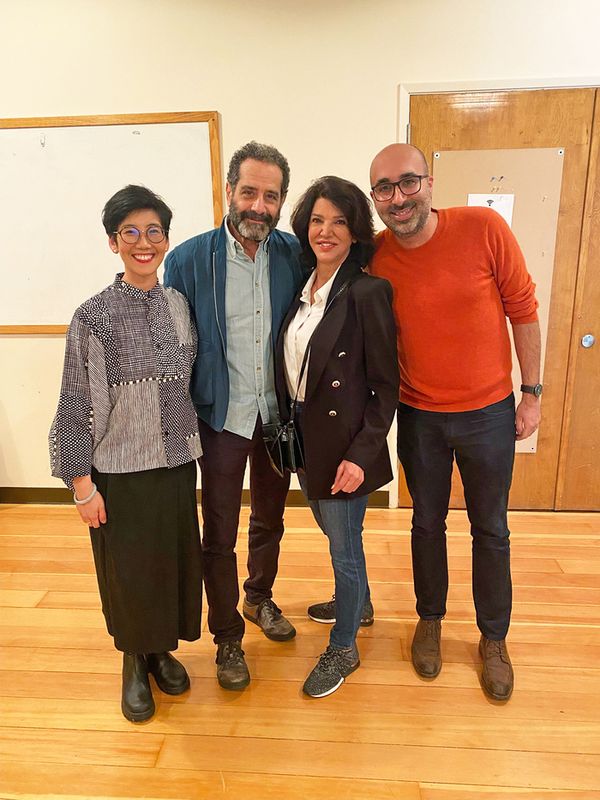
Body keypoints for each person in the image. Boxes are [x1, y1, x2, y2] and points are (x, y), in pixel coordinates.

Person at [368, 143, 542, 701]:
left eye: (407, 182)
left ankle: (494, 640)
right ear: (375, 199)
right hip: (419, 417)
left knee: (491, 528)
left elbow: (523, 308)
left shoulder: (483, 228)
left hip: (489, 413)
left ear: (430, 182)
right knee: (426, 524)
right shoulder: (375, 256)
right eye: (384, 189)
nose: (398, 198)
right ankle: (431, 620)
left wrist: (532, 393)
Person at [49, 185, 203, 722]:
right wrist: (81, 484)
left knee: (171, 566)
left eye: (153, 231)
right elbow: (77, 402)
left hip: (178, 465)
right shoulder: (93, 317)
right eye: (131, 232)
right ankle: (134, 662)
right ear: (113, 243)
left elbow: (184, 386)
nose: (144, 242)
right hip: (120, 472)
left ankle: (161, 651)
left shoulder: (179, 307)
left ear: (165, 239)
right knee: (130, 572)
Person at [163, 142, 306, 690]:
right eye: (249, 191)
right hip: (220, 420)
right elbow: (172, 345)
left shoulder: (294, 256)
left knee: (271, 521)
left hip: (278, 421)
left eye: (271, 196)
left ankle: (258, 599)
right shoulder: (189, 259)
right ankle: (226, 637)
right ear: (229, 191)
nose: (259, 206)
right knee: (218, 532)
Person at [275, 176, 398, 698]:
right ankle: (359, 603)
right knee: (337, 538)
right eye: (318, 220)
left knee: (345, 550)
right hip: (306, 442)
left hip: (347, 447)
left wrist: (362, 455)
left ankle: (344, 647)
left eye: (340, 222)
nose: (326, 231)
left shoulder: (368, 291)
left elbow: (385, 387)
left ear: (355, 232)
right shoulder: (301, 290)